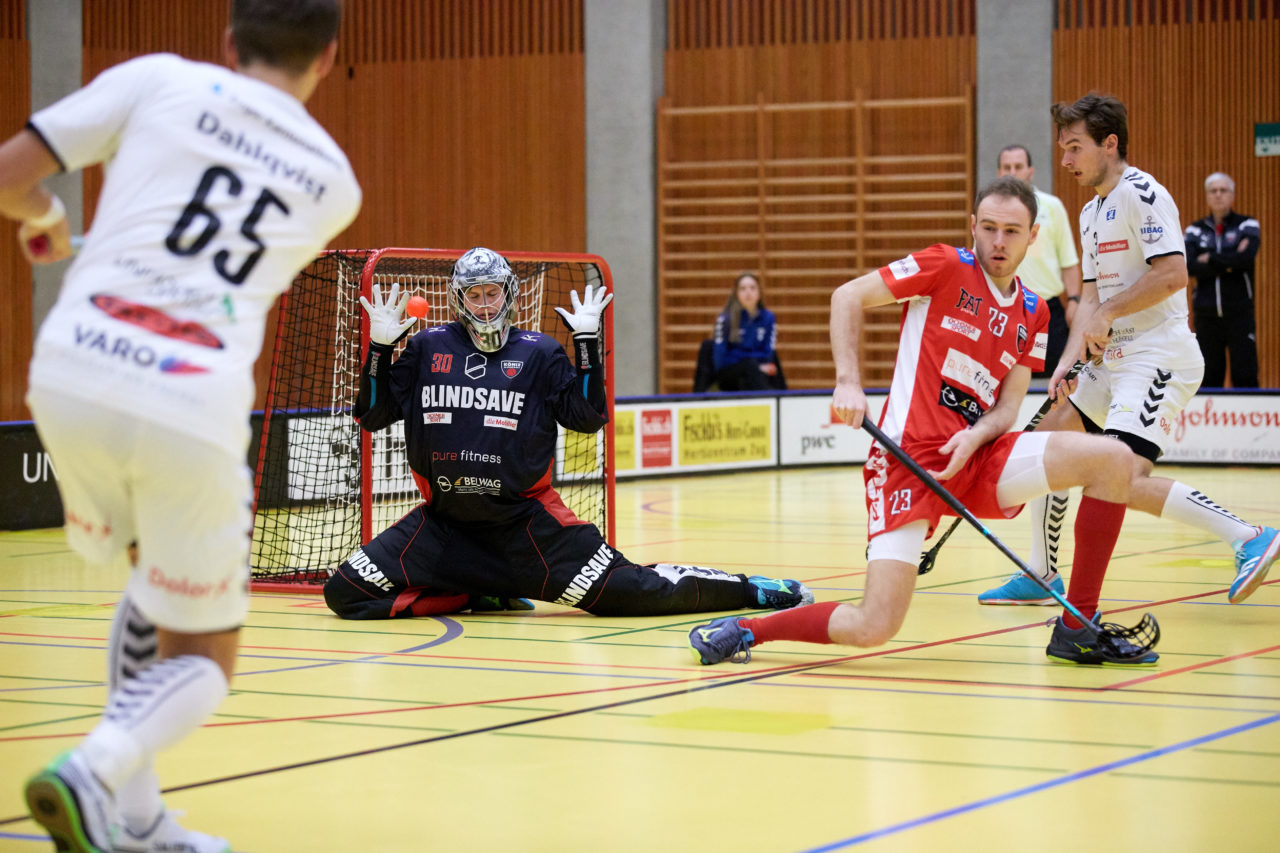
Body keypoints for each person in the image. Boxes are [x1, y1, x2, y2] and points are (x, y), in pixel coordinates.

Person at [5, 2, 362, 850]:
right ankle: (91, 770)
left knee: (149, 579)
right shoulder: (335, 184)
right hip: (186, 396)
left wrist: (49, 223)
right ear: (328, 59)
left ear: (229, 40)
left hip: (70, 369)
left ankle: (139, 820)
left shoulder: (156, 79)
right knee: (203, 655)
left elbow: (11, 176)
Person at [688, 176, 1158, 668]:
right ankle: (748, 630)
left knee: (1112, 459)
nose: (999, 242)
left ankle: (1077, 627)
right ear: (973, 226)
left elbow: (1006, 409)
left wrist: (975, 435)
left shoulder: (1034, 312)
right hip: (904, 461)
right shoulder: (943, 266)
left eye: (1012, 232)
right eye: (990, 228)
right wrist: (848, 380)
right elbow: (846, 296)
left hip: (977, 455)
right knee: (875, 625)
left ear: (1032, 236)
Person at [323, 247, 812, 621]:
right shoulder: (428, 347)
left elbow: (587, 416)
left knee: (632, 591)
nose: (485, 305)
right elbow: (372, 415)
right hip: (444, 528)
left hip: (528, 530)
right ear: (459, 299)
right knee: (345, 592)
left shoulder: (539, 352)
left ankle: (749, 588)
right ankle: (476, 590)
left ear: (509, 294)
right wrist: (380, 351)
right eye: (475, 294)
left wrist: (586, 345)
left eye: (493, 292)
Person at [978, 94, 1278, 607]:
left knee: (1121, 474)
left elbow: (1172, 275)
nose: (1066, 161)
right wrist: (1070, 361)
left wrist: (1107, 315)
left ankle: (1250, 537)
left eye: (1075, 148)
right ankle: (1041, 572)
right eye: (1063, 149)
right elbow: (1090, 299)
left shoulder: (1143, 194)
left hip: (1157, 356)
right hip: (1110, 362)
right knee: (1046, 443)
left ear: (1109, 143)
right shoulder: (1092, 211)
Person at [995, 144, 1082, 377]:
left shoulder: (1052, 206)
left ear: (1030, 171)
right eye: (1007, 167)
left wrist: (1074, 299)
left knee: (1056, 382)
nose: (1013, 171)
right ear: (999, 173)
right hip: (1005, 311)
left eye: (1018, 166)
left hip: (1047, 311)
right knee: (1005, 382)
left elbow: (1069, 260)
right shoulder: (989, 209)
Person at [1185, 172, 1260, 388]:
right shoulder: (1194, 230)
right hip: (1206, 316)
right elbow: (1188, 266)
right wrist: (1228, 260)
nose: (1218, 195)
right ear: (1207, 196)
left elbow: (1244, 258)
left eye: (1223, 190)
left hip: (1239, 314)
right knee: (1208, 377)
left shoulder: (1247, 225)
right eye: (1213, 191)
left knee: (1245, 375)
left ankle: (1248, 421)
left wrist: (1209, 257)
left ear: (1232, 195)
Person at [709, 272, 782, 391]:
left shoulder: (769, 318)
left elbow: (768, 354)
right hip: (728, 373)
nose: (748, 292)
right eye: (743, 288)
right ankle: (768, 399)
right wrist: (753, 363)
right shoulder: (725, 319)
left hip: (757, 371)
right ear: (736, 293)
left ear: (759, 292)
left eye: (752, 288)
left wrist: (742, 357)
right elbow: (720, 360)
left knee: (771, 370)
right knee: (750, 367)